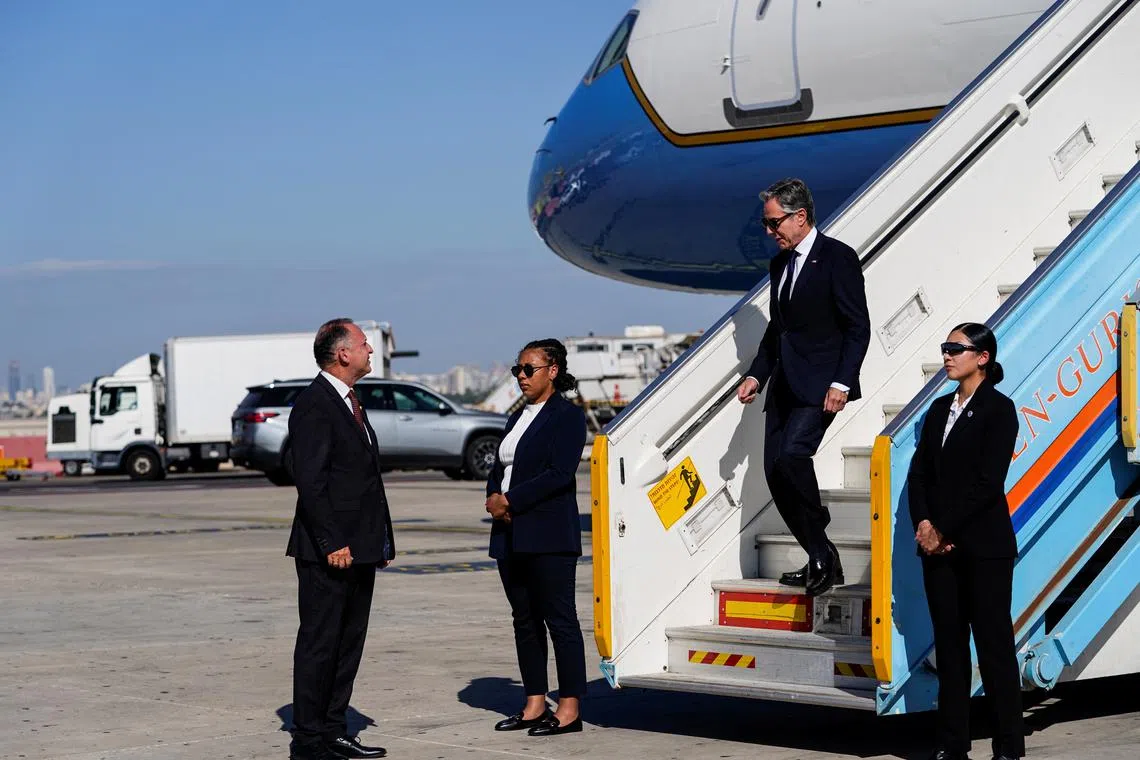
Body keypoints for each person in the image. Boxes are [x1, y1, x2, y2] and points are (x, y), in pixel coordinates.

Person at [737, 177, 871, 596]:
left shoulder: (837, 258)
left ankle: (821, 542)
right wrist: (757, 374)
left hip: (822, 385)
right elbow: (779, 330)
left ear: (801, 217)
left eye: (774, 222)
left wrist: (841, 382)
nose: (769, 231)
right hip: (784, 386)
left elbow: (857, 326)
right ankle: (819, 553)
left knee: (794, 456)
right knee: (775, 472)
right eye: (766, 223)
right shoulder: (780, 265)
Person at [907, 323, 1024, 760]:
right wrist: (924, 523)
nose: (947, 355)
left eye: (956, 348)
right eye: (945, 348)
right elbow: (919, 476)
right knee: (950, 650)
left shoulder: (1000, 409)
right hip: (937, 549)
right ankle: (951, 745)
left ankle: (1009, 747)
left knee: (993, 650)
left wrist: (944, 530)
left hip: (983, 548)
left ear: (983, 357)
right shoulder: (938, 411)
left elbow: (988, 484)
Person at [286, 318, 395, 760]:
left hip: (361, 547)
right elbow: (310, 483)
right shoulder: (315, 405)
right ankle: (308, 741)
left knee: (349, 642)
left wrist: (381, 541)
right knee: (320, 643)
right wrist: (332, 541)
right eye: (365, 345)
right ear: (343, 354)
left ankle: (334, 731)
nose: (371, 351)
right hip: (328, 551)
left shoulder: (351, 402)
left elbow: (365, 481)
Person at [485, 339, 589, 737]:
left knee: (560, 621)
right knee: (524, 620)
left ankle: (568, 708)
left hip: (548, 533)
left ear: (553, 371)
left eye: (529, 369)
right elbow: (501, 466)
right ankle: (533, 702)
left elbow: (558, 474)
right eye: (517, 370)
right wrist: (494, 496)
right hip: (510, 533)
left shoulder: (567, 417)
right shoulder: (516, 418)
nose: (521, 377)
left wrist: (509, 499)